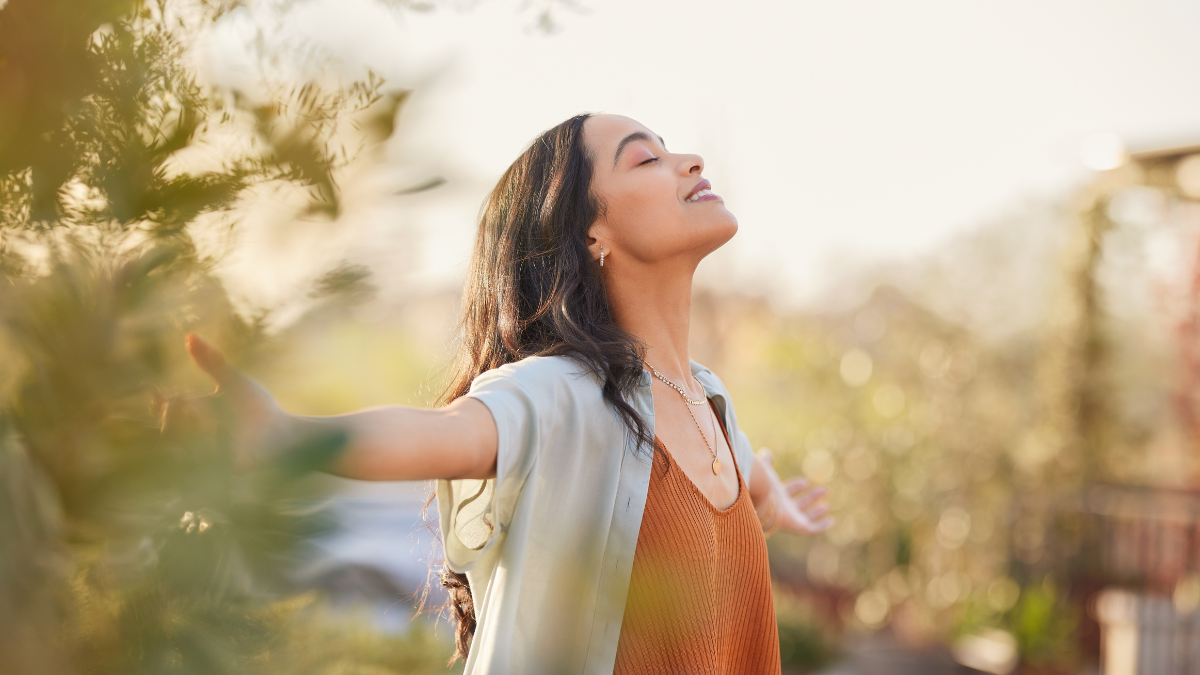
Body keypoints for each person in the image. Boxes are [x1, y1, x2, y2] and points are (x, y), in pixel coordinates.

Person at [185, 113, 832, 675]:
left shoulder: (711, 402)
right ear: (590, 234)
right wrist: (287, 436)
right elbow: (446, 434)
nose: (689, 161)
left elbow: (732, 470)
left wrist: (766, 493)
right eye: (646, 158)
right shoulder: (560, 393)